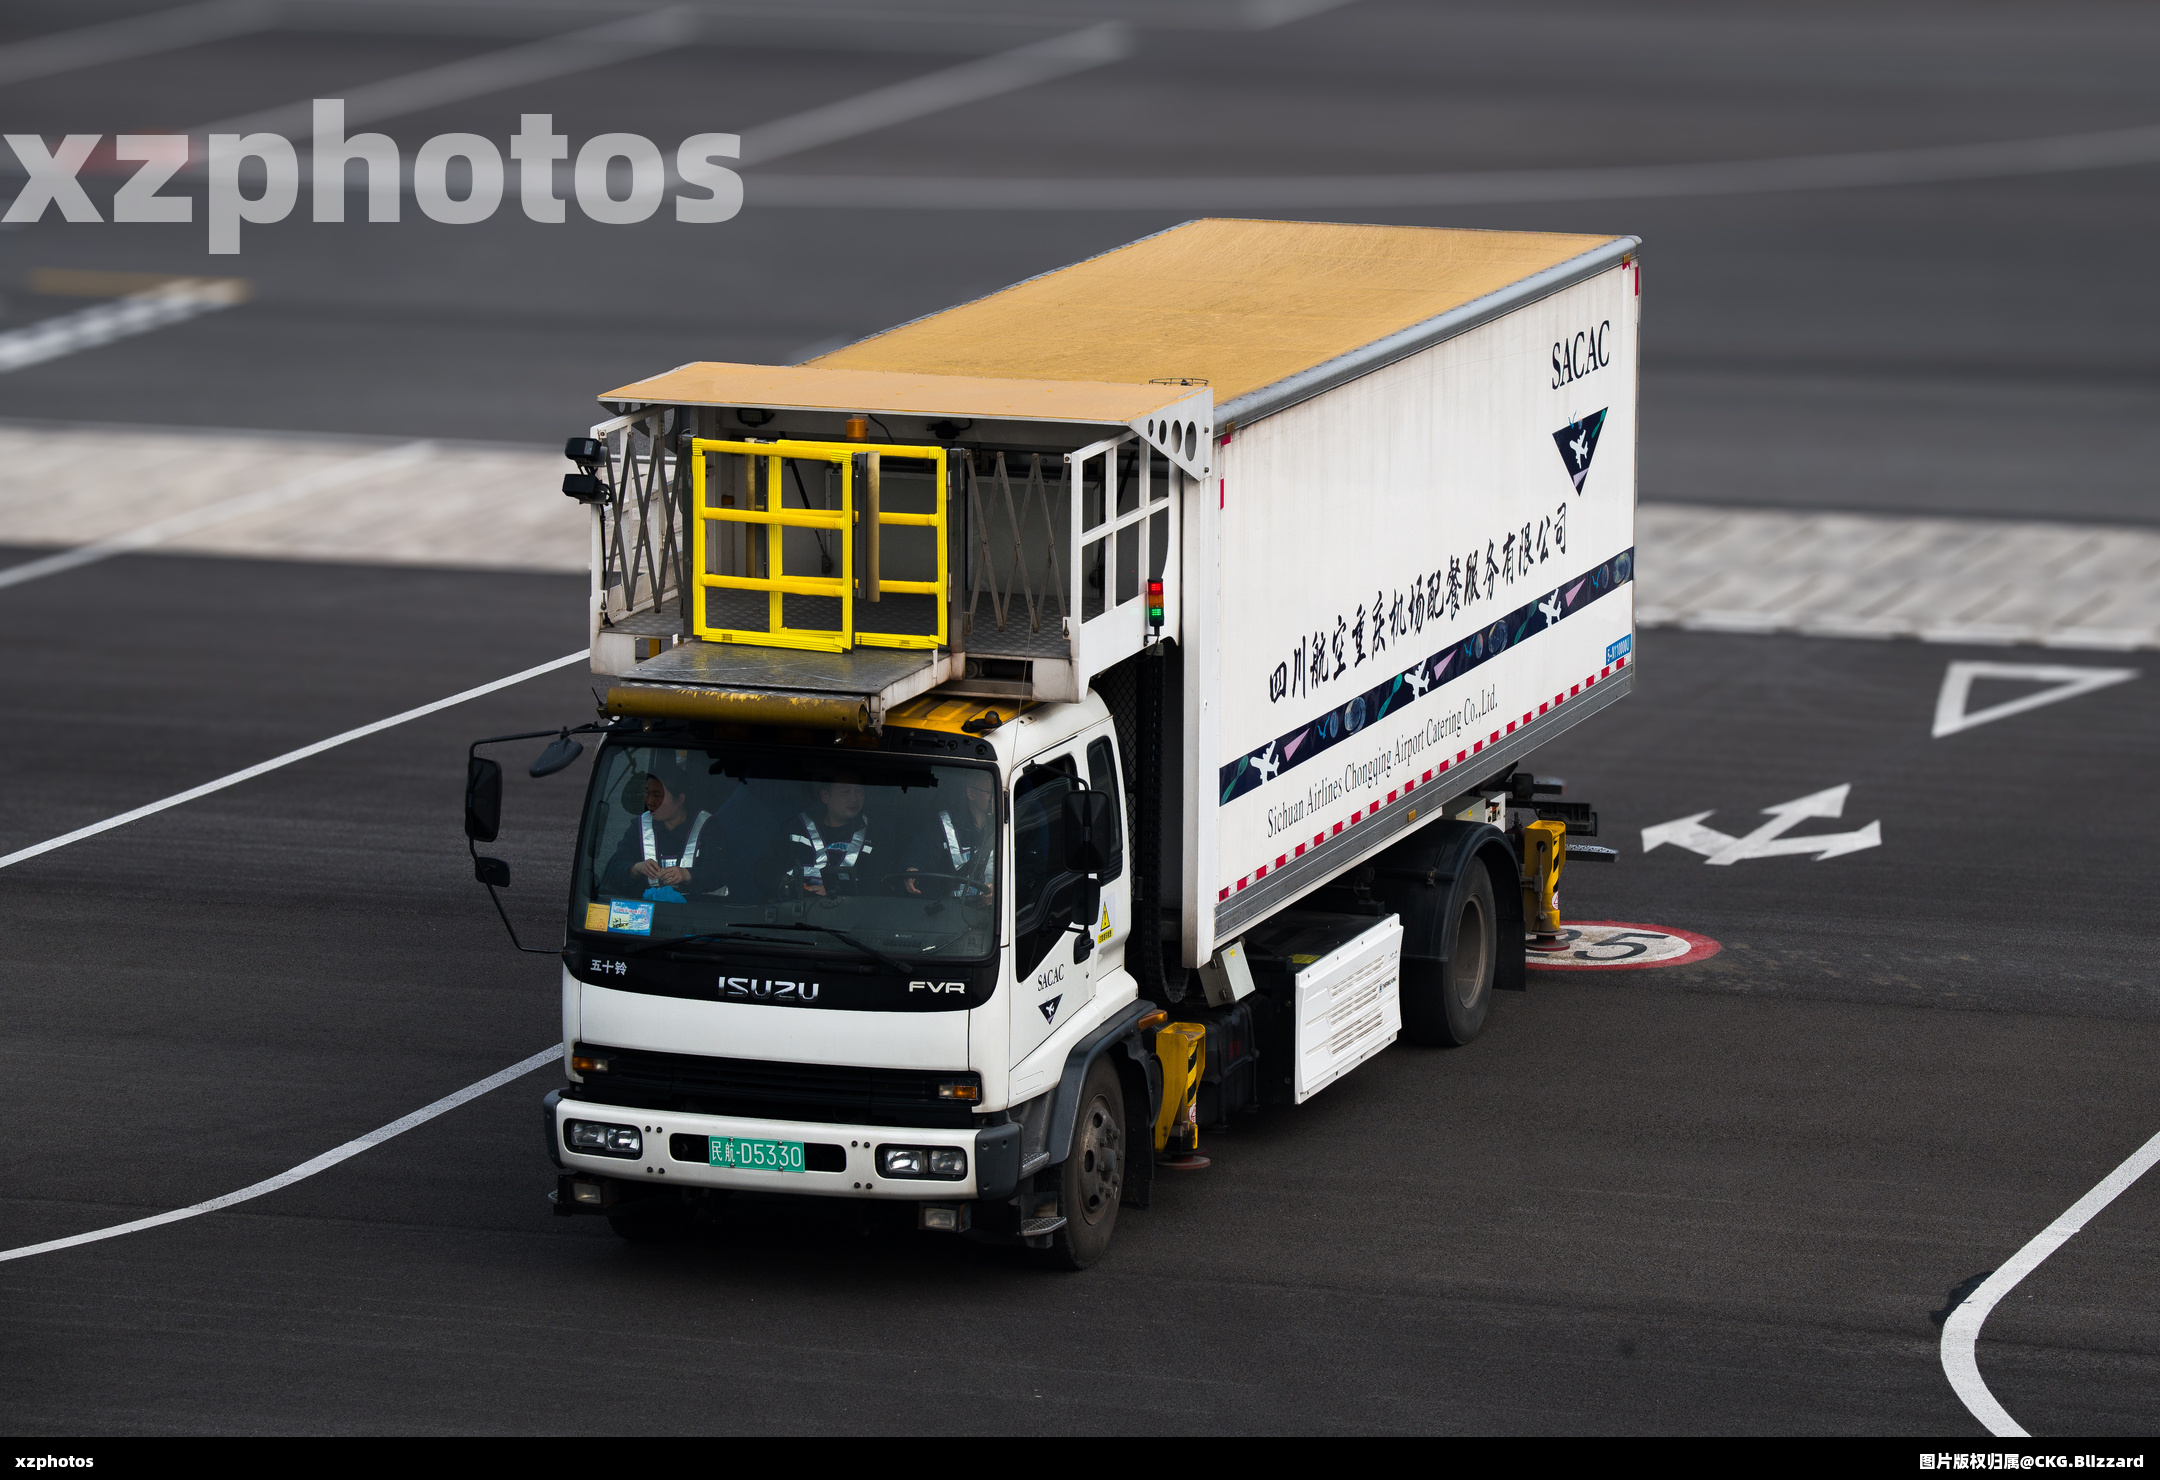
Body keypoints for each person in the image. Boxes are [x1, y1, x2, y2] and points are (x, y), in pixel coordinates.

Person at [602, 757, 718, 902]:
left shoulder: (708, 826)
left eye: (657, 796)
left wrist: (687, 875)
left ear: (680, 799)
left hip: (699, 917)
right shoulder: (639, 826)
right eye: (647, 793)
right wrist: (637, 868)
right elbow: (614, 870)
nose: (649, 802)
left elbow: (721, 874)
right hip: (649, 915)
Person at [771, 771, 877, 897]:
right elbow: (767, 869)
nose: (854, 798)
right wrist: (791, 888)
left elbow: (878, 884)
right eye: (846, 791)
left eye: (859, 791)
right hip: (796, 911)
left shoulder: (876, 834)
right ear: (825, 796)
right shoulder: (794, 827)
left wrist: (836, 891)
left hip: (852, 913)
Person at [905, 768, 996, 899]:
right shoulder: (944, 824)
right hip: (949, 912)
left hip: (993, 915)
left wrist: (1000, 889)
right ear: (971, 793)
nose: (995, 797)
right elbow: (922, 851)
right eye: (990, 792)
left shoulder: (1007, 825)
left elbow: (1024, 868)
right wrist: (912, 868)